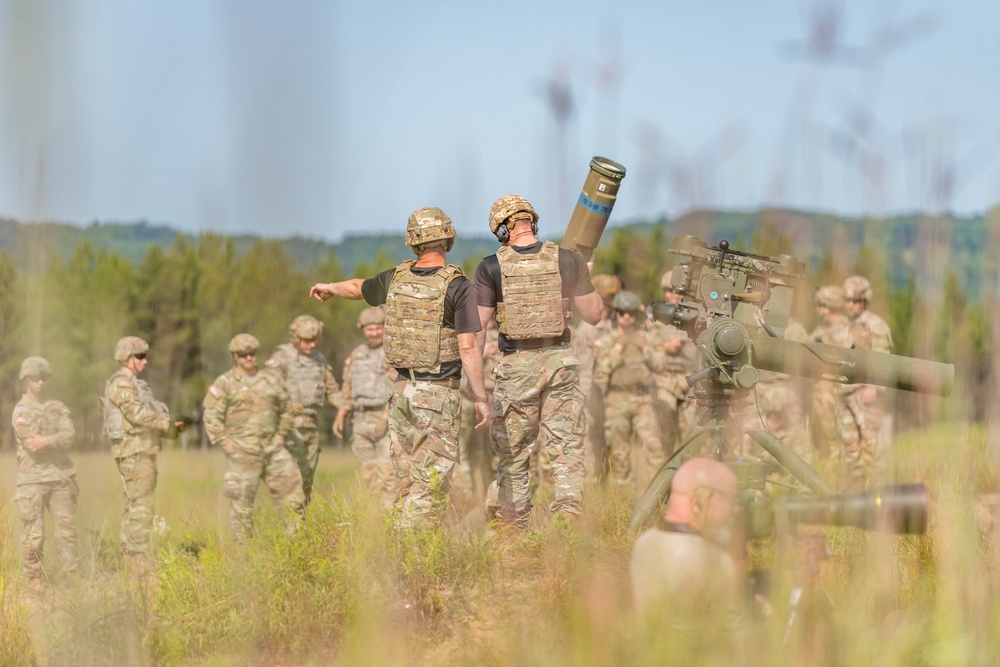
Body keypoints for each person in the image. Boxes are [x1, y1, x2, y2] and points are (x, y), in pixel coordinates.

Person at [309, 206, 490, 527]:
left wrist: (329, 287)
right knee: (431, 482)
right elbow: (467, 346)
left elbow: (356, 287)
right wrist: (480, 397)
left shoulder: (395, 278)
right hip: (437, 396)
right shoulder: (458, 286)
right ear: (448, 240)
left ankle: (398, 549)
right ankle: (414, 552)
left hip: (400, 393)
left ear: (413, 243)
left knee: (405, 479)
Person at [474, 194, 602, 527]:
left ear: (503, 230)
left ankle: (515, 532)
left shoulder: (491, 266)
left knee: (514, 456)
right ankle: (568, 527)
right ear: (532, 221)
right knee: (567, 450)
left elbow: (478, 329)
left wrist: (477, 391)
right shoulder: (568, 260)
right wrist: (583, 277)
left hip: (516, 369)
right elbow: (594, 314)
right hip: (560, 363)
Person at [630, 457, 744, 651]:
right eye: (730, 499)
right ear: (698, 501)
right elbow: (735, 641)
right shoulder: (713, 559)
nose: (736, 509)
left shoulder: (645, 542)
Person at [203, 334, 305, 540]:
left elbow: (286, 408)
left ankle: (298, 543)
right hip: (242, 451)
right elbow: (211, 415)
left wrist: (282, 435)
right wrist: (225, 442)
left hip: (272, 448)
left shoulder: (270, 379)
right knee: (242, 505)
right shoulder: (224, 383)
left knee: (293, 496)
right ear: (234, 356)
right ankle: (244, 553)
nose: (248, 358)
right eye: (243, 355)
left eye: (252, 354)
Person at [103, 336, 188, 568]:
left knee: (138, 502)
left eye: (145, 356)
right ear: (127, 358)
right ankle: (136, 558)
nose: (145, 361)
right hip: (133, 450)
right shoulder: (122, 384)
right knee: (140, 504)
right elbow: (137, 415)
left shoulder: (136, 384)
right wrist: (166, 422)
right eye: (139, 356)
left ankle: (130, 555)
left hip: (142, 448)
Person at [12, 357, 79, 589]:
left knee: (67, 531)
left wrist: (47, 440)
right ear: (26, 380)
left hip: (60, 478)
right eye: (35, 378)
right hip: (32, 481)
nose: (41, 382)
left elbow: (69, 435)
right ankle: (34, 579)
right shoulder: (21, 411)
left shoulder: (57, 406)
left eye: (44, 378)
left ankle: (71, 577)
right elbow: (31, 444)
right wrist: (53, 441)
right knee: (34, 535)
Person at [592, 290, 668, 492]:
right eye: (622, 312)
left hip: (642, 398)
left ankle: (655, 491)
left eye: (631, 313)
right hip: (616, 398)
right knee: (619, 450)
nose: (627, 316)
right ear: (616, 313)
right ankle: (624, 492)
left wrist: (646, 351)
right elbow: (601, 373)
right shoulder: (607, 339)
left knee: (654, 445)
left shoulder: (647, 338)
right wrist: (617, 351)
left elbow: (660, 364)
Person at [265, 315, 341, 506]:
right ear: (295, 338)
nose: (312, 345)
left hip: (312, 427)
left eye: (315, 340)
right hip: (289, 428)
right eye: (307, 341)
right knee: (293, 479)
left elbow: (332, 390)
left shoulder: (319, 360)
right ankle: (292, 526)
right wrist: (287, 407)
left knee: (307, 478)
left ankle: (301, 525)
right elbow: (268, 390)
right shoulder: (282, 357)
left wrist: (348, 407)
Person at [333, 306, 397, 505]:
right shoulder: (357, 354)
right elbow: (348, 386)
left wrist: (385, 418)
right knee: (369, 474)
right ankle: (374, 520)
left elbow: (397, 388)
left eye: (379, 328)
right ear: (363, 330)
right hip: (360, 420)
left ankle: (391, 516)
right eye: (370, 329)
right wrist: (341, 414)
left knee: (387, 472)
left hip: (384, 418)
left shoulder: (392, 353)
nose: (375, 333)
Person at [843, 274, 894, 459]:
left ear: (864, 301)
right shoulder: (844, 325)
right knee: (851, 451)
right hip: (847, 394)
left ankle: (878, 486)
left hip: (866, 396)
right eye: (847, 300)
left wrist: (874, 387)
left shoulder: (876, 325)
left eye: (855, 301)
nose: (850, 305)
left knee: (873, 449)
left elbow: (883, 360)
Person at [651, 270, 699, 459]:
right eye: (668, 291)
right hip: (664, 381)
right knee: (665, 434)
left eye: (676, 290)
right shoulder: (656, 319)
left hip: (690, 382)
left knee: (692, 436)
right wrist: (663, 347)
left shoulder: (696, 318)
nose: (672, 295)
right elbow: (645, 348)